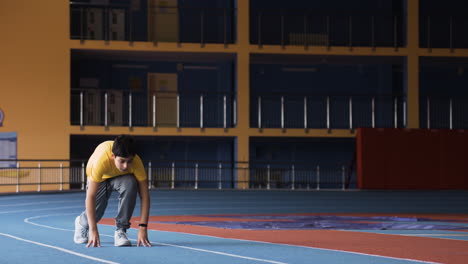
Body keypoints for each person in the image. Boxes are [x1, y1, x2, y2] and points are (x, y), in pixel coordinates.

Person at [74, 135, 152, 247]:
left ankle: (121, 230)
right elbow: (90, 196)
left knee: (130, 183)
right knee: (97, 212)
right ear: (113, 156)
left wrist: (143, 227)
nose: (126, 166)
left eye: (129, 161)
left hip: (120, 178)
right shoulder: (100, 162)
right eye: (122, 161)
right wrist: (93, 229)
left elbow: (145, 196)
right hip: (100, 178)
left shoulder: (136, 163)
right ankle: (81, 222)